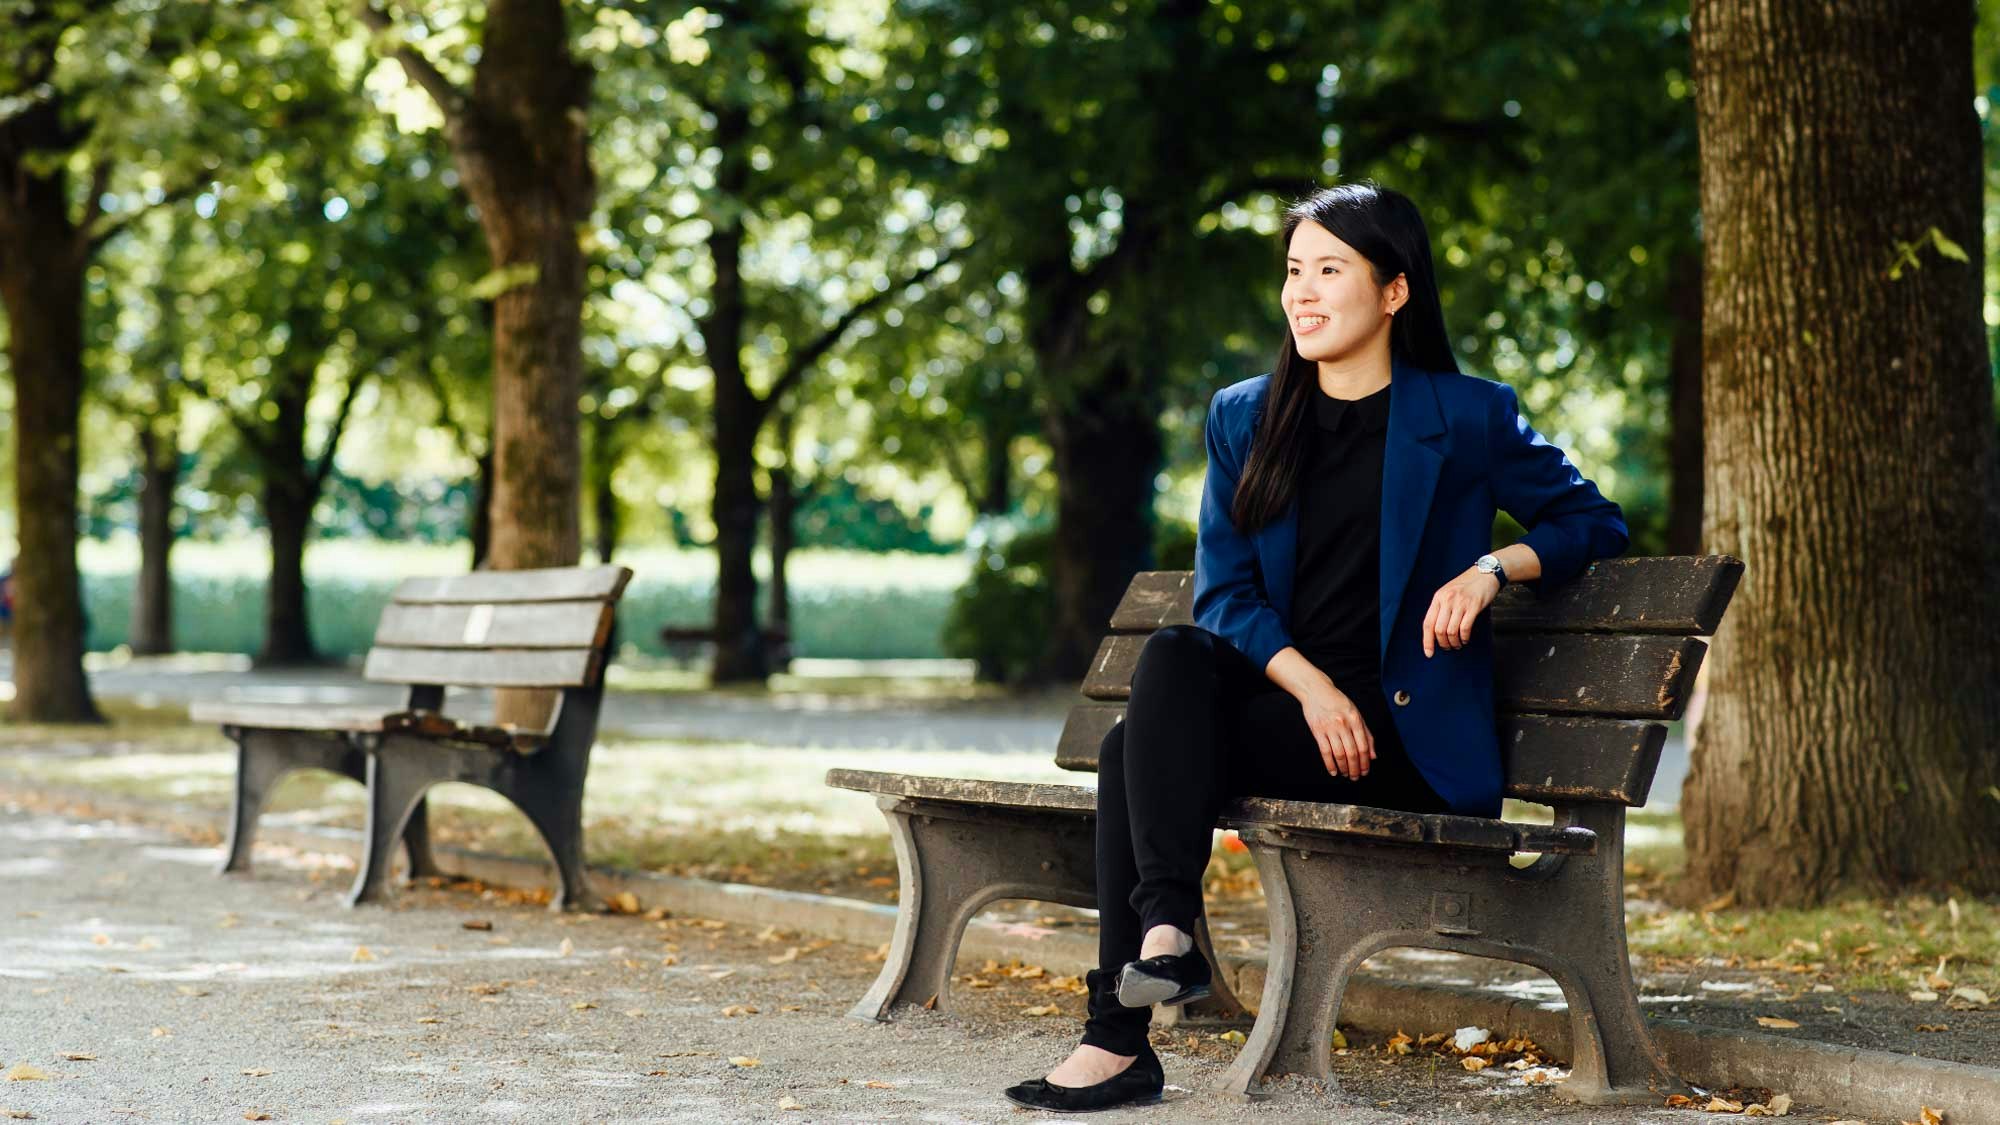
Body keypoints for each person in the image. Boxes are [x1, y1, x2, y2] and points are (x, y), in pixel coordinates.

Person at [1002, 181, 1630, 1113]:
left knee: (1136, 745)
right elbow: (1225, 592)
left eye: (1329, 269)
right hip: (1308, 717)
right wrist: (1313, 691)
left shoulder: (1466, 417)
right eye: (1294, 270)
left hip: (1401, 741)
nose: (1303, 291)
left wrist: (1494, 567)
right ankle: (1166, 932)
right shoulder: (1245, 416)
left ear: (1394, 290)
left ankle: (1121, 1034)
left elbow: (1593, 520)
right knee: (1169, 664)